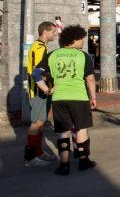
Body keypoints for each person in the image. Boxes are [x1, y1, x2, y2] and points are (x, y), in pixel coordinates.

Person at [32, 25, 97, 175]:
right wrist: (93, 97)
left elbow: (36, 74)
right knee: (81, 129)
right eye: (81, 39)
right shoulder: (83, 56)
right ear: (74, 39)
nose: (83, 42)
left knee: (62, 131)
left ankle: (64, 165)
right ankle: (83, 161)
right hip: (79, 97)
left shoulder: (53, 54)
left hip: (59, 98)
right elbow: (90, 79)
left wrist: (47, 90)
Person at [24, 21, 58, 167]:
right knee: (36, 123)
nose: (55, 34)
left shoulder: (41, 46)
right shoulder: (39, 48)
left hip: (42, 91)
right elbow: (38, 73)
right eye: (53, 32)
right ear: (45, 32)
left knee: (40, 123)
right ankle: (30, 158)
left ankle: (38, 152)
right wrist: (52, 81)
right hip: (39, 91)